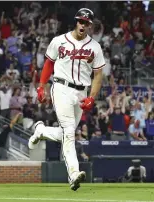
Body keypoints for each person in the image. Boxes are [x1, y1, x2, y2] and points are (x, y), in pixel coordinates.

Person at [28, 8, 105, 191]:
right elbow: (49, 63)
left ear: (90, 25)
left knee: (66, 133)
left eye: (86, 22)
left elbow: (98, 75)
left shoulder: (95, 47)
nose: (83, 25)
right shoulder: (59, 41)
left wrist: (92, 98)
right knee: (69, 132)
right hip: (61, 87)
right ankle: (73, 173)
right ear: (76, 22)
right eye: (80, 21)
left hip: (81, 92)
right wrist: (41, 86)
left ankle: (41, 131)